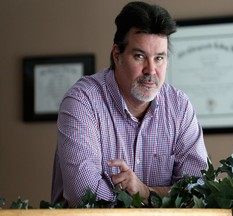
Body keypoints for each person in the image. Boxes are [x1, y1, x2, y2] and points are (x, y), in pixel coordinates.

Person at [51, 1, 208, 207]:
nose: (151, 70)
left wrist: (144, 191)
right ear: (118, 55)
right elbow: (84, 195)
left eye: (159, 58)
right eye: (140, 56)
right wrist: (167, 194)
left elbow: (200, 191)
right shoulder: (82, 102)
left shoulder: (179, 107)